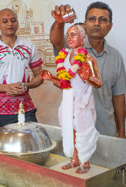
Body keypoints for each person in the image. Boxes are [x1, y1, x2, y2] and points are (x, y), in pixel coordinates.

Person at [50, 2, 126, 138]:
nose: (97, 23)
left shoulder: (115, 56)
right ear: (85, 24)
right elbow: (56, 41)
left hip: (106, 131)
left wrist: (121, 131)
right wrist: (59, 23)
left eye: (103, 20)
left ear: (110, 27)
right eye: (92, 19)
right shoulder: (71, 49)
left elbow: (118, 96)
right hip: (77, 131)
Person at [42, 25, 101, 173]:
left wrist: (86, 76)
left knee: (83, 132)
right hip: (68, 101)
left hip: (83, 103)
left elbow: (98, 83)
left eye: (73, 34)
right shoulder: (65, 58)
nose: (69, 37)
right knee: (70, 131)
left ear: (83, 38)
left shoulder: (88, 59)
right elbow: (65, 84)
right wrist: (51, 78)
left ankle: (85, 162)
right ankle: (74, 160)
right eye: (68, 35)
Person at [0, 8, 43, 128]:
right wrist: (6, 87)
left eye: (13, 20)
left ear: (17, 23)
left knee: (31, 143)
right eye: (5, 21)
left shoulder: (28, 45)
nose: (10, 24)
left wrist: (26, 85)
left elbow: (41, 76)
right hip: (0, 112)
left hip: (26, 109)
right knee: (4, 146)